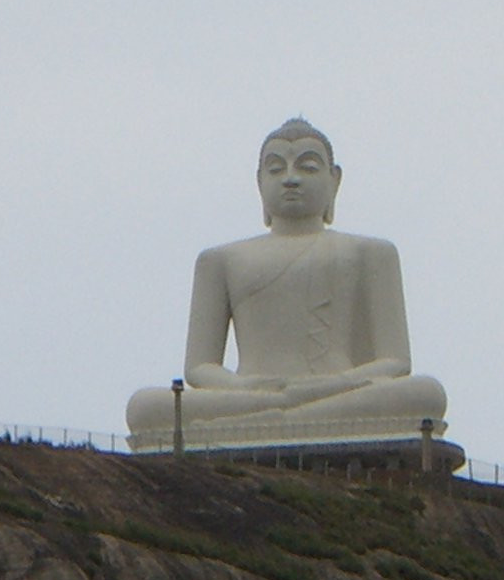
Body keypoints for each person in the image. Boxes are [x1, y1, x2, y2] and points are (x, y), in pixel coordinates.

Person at [126, 118, 446, 447]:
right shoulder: (220, 260)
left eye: (307, 167)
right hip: (251, 395)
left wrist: (327, 387)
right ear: (258, 182)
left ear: (334, 181)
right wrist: (250, 389)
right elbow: (200, 368)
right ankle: (287, 416)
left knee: (425, 394)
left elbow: (395, 362)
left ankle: (276, 420)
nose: (290, 179)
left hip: (338, 391)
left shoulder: (371, 253)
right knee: (145, 407)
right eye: (276, 169)